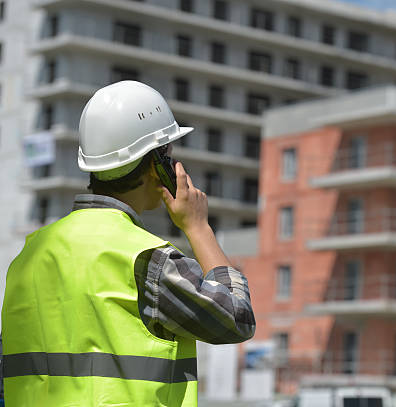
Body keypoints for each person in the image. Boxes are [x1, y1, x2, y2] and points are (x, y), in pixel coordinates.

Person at [1, 81, 256, 406]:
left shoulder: (28, 257)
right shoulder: (148, 260)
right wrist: (198, 227)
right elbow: (237, 320)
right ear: (156, 165)